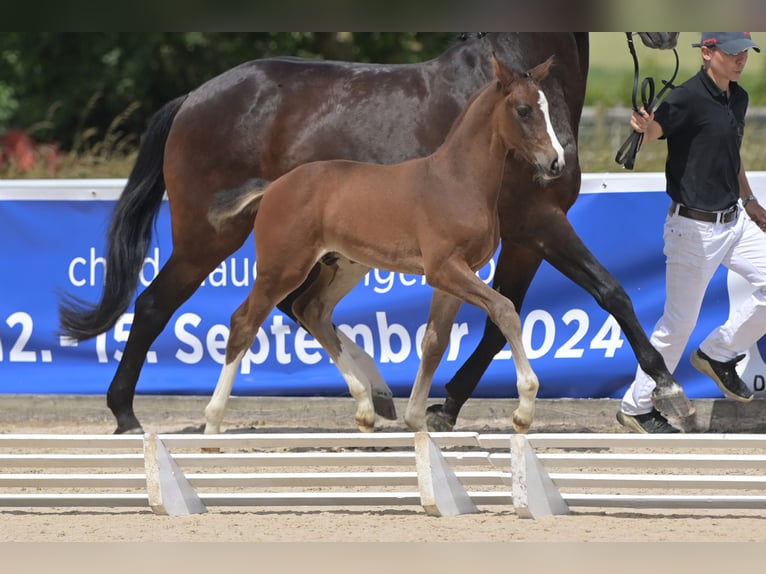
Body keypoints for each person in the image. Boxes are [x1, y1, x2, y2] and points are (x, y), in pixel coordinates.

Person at [617, 32, 766, 434]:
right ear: (707, 52)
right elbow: (654, 132)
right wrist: (644, 127)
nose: (740, 60)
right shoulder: (684, 97)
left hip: (734, 221)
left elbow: (730, 156)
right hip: (692, 228)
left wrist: (750, 201)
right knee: (677, 326)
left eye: (745, 53)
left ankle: (718, 353)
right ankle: (635, 407)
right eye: (732, 52)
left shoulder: (739, 98)